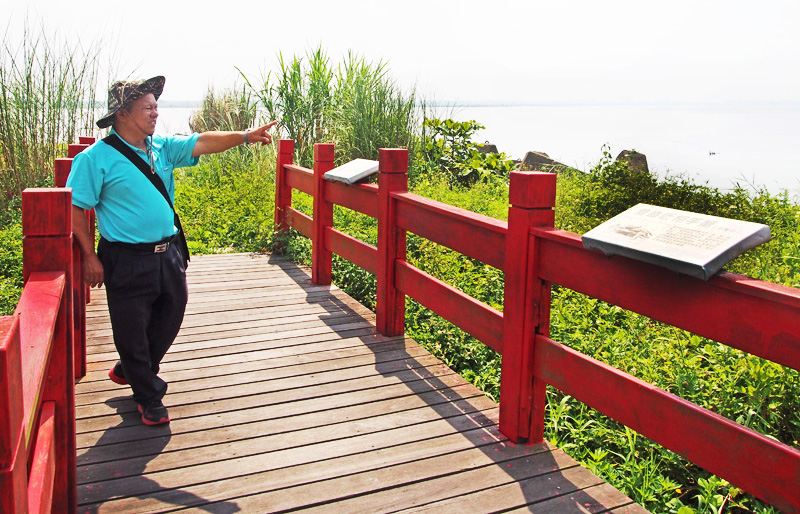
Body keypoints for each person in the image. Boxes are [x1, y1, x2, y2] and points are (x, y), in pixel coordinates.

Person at [67, 76, 275, 426]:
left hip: (169, 253)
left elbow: (202, 142)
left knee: (170, 317)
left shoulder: (160, 146)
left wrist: (244, 136)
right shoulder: (95, 159)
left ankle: (132, 368)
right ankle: (148, 396)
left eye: (156, 106)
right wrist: (89, 256)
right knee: (131, 330)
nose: (155, 113)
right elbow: (74, 206)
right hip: (125, 258)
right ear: (121, 113)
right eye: (147, 107)